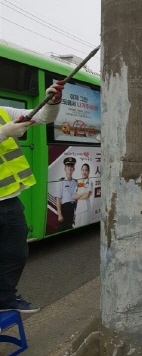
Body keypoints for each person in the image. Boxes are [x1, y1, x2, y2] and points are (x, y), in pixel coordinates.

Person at [0, 81, 64, 313]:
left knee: (15, 253)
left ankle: (5, 298)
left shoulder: (2, 111)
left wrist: (52, 100)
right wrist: (4, 132)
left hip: (9, 200)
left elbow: (42, 116)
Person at [55, 157, 78, 231]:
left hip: (73, 208)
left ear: (73, 169)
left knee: (71, 228)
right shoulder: (60, 181)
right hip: (65, 209)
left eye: (71, 166)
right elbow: (58, 199)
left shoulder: (76, 182)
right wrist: (59, 214)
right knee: (62, 228)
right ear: (65, 168)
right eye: (68, 166)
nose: (70, 168)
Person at [73, 163, 93, 228]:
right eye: (83, 170)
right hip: (78, 209)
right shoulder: (79, 183)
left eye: (86, 170)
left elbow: (87, 196)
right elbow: (73, 196)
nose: (84, 172)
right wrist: (82, 194)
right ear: (81, 171)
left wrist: (77, 196)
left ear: (89, 171)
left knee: (84, 228)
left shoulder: (89, 182)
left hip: (85, 209)